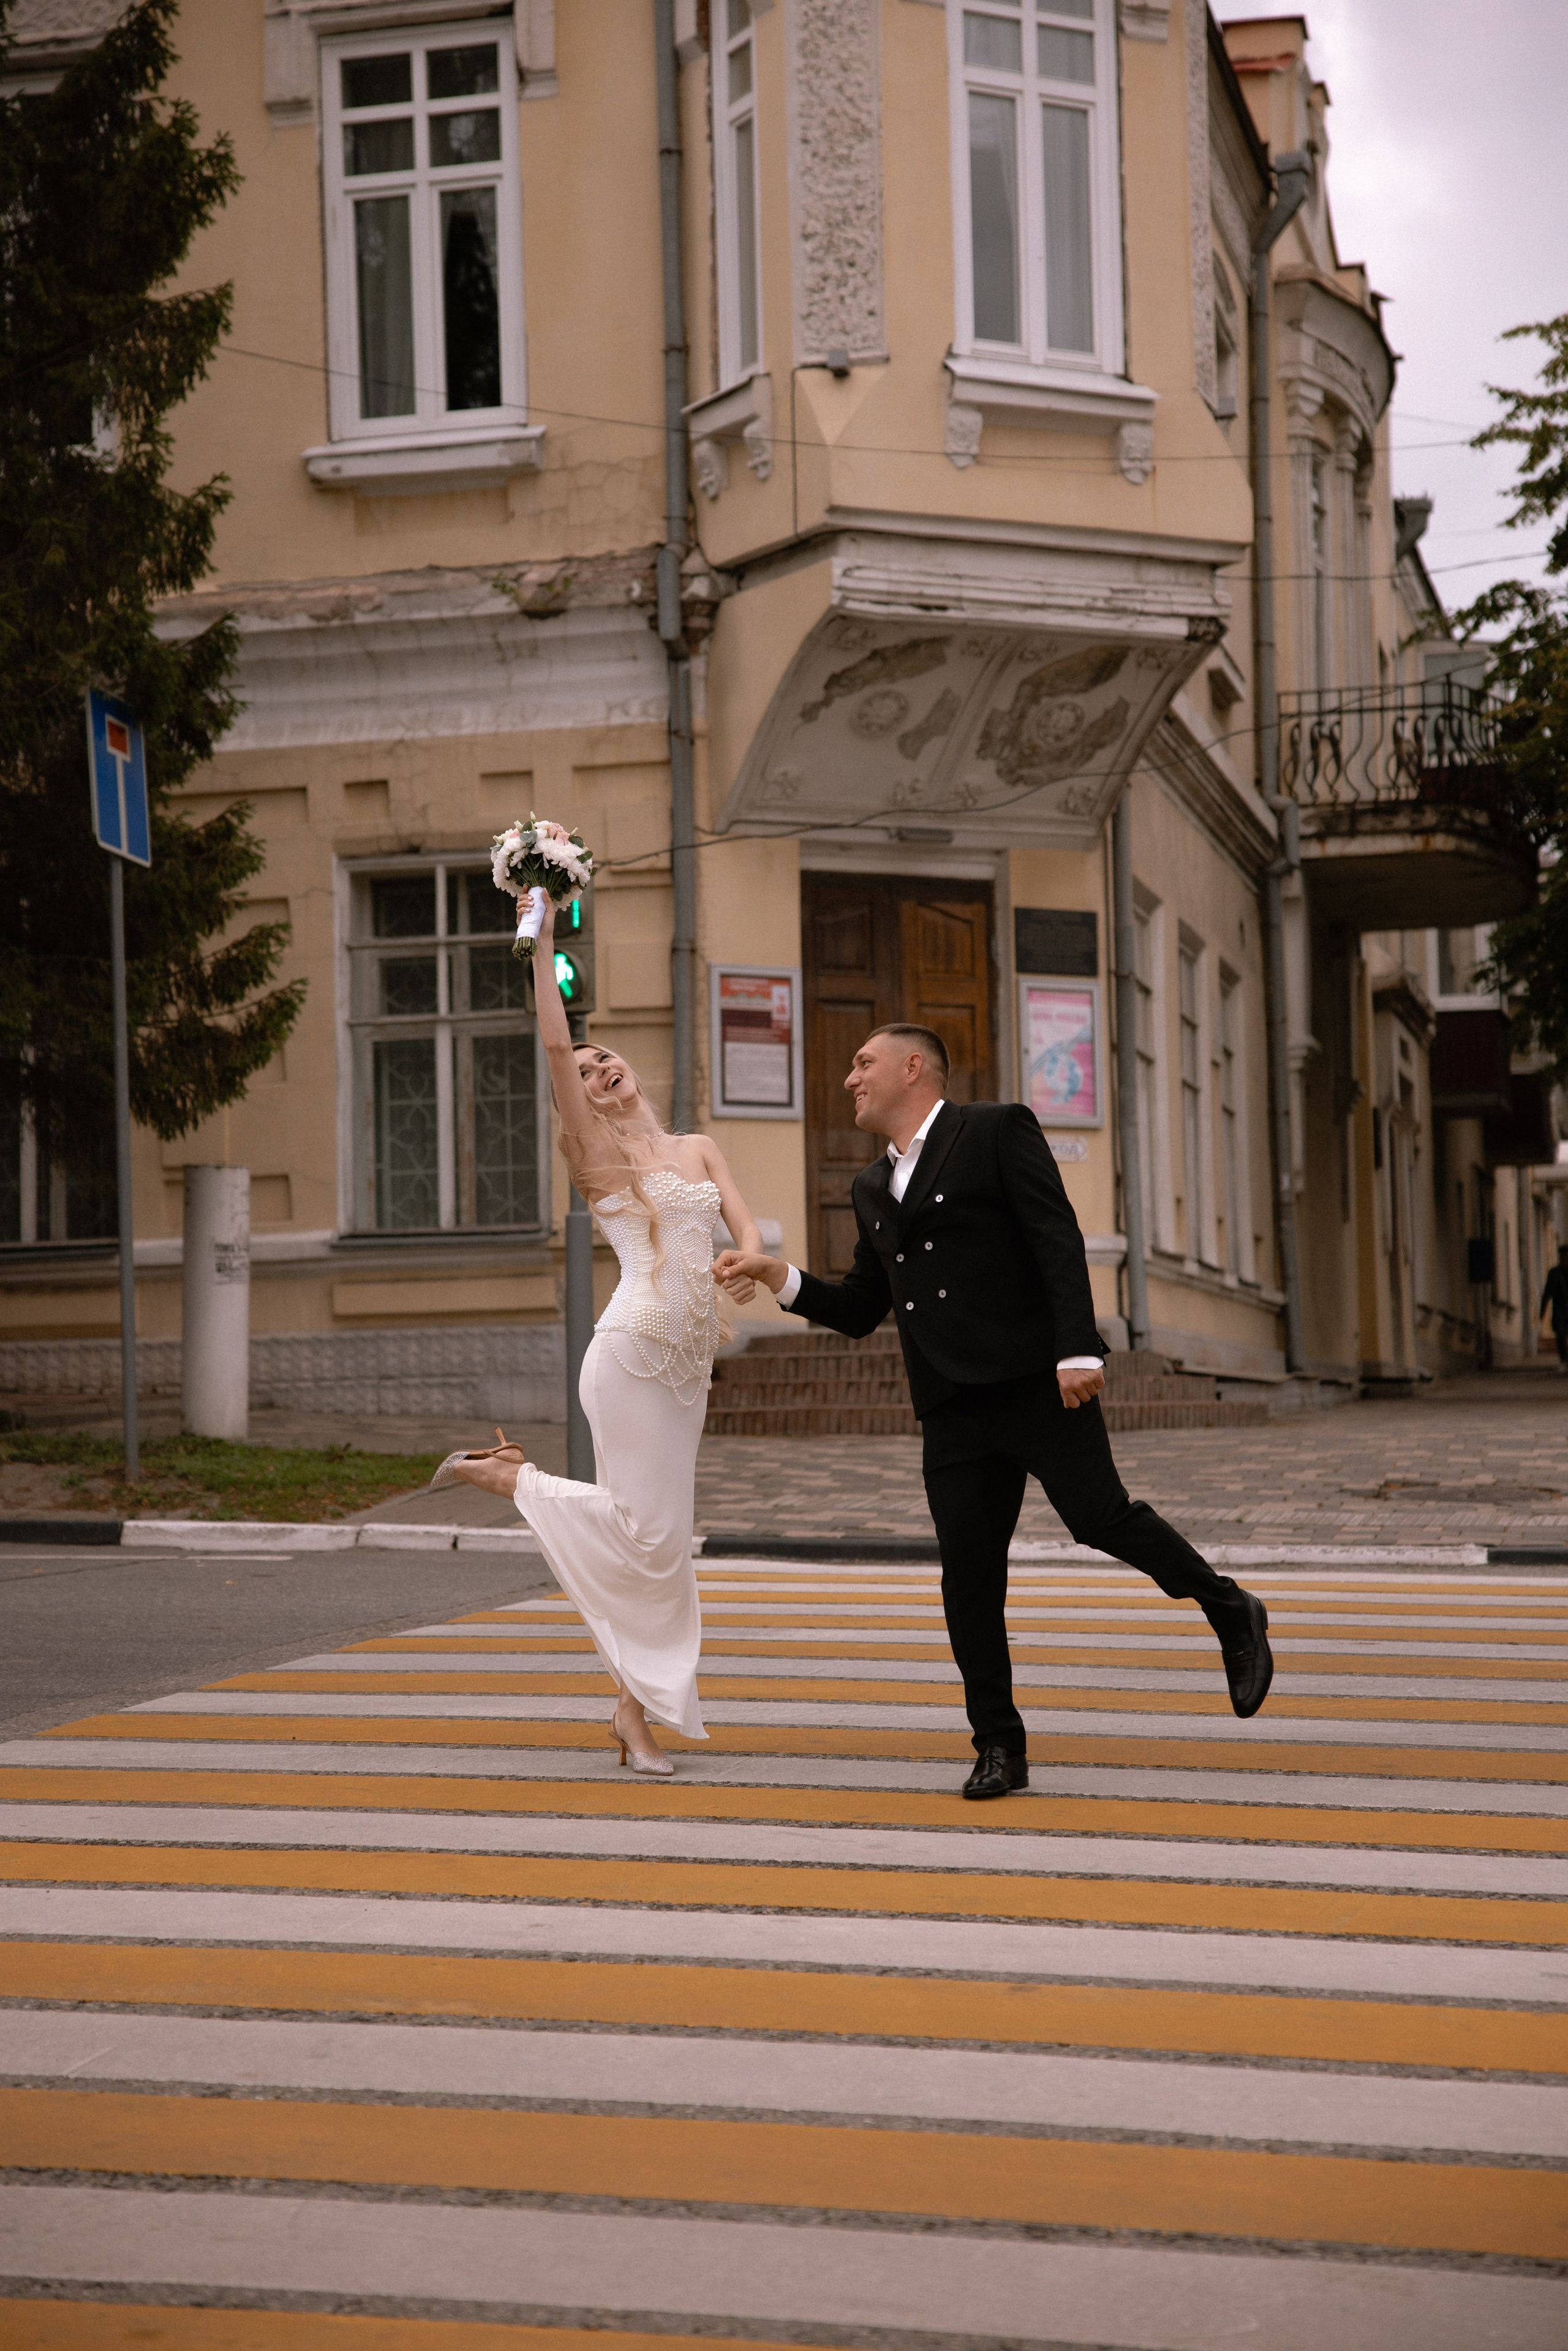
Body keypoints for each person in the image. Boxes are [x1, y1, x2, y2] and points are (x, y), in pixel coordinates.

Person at [715, 1024, 1275, 1800]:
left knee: (1099, 1518)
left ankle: (1229, 1608)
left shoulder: (994, 1128)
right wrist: (780, 1276)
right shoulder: (870, 1187)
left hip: (1032, 1379)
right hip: (950, 1404)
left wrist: (1078, 1348)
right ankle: (998, 1745)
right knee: (968, 1579)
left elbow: (1055, 1235)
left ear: (913, 1068)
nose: (849, 1078)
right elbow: (856, 1308)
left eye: (862, 1062)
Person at [431, 894, 765, 1775]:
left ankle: (633, 1712)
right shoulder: (596, 1154)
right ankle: (512, 1479)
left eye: (606, 1056)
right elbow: (552, 1040)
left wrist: (753, 1259)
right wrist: (540, 942)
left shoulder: (695, 1146)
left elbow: (746, 1227)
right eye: (584, 1070)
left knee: (662, 1544)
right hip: (631, 1353)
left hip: (690, 1367)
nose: (600, 1068)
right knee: (648, 1537)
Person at [1542, 1244, 1568, 1373]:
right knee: (1561, 1333)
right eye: (1564, 1256)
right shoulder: (1555, 1273)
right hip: (1560, 1308)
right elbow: (1547, 1293)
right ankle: (1564, 1360)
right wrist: (1542, 1312)